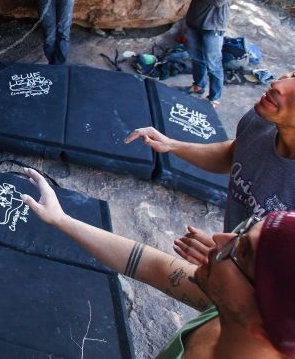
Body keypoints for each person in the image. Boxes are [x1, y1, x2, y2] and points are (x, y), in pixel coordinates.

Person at [20, 167, 295, 358]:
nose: (220, 239)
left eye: (243, 252)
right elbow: (151, 265)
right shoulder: (231, 308)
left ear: (263, 328)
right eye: (248, 228)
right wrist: (61, 219)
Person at [125, 73, 295, 259]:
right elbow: (235, 154)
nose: (277, 84)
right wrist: (171, 145)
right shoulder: (262, 121)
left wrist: (226, 264)